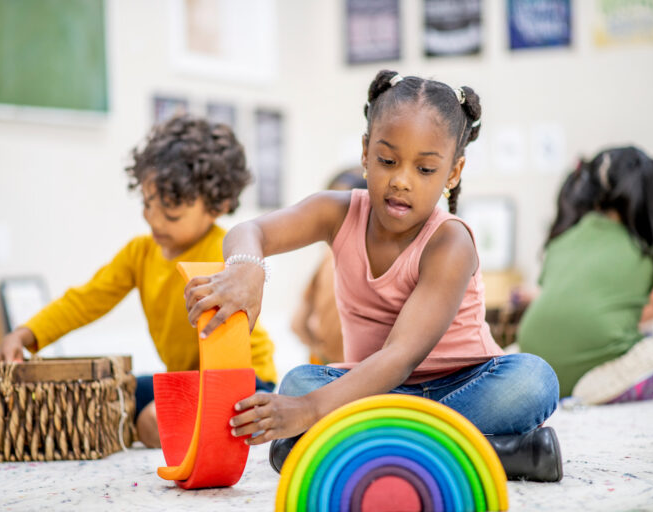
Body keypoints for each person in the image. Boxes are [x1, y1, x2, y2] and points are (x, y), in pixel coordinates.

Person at [184, 70, 562, 482]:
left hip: (467, 385)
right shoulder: (337, 212)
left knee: (533, 380)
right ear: (366, 153)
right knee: (298, 381)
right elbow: (250, 231)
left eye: (425, 169)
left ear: (453, 174)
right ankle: (494, 454)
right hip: (374, 388)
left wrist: (312, 412)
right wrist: (247, 269)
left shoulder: (450, 243)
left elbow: (399, 358)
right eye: (387, 161)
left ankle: (351, 447)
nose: (401, 181)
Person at [0, 115, 277, 448]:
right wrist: (26, 333)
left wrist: (190, 404)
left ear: (218, 207)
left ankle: (210, 435)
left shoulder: (224, 250)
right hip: (185, 377)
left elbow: (228, 345)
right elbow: (87, 299)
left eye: (171, 213)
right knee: (115, 394)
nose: (155, 220)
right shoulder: (140, 254)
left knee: (152, 420)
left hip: (245, 380)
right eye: (147, 205)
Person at [517, 146, 653, 405]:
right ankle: (611, 388)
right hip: (591, 367)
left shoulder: (563, 238)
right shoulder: (650, 248)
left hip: (536, 362)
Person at [291, 168, 367, 364]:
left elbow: (298, 324)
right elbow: (298, 323)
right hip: (353, 371)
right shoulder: (329, 257)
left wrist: (324, 354)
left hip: (333, 367)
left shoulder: (329, 256)